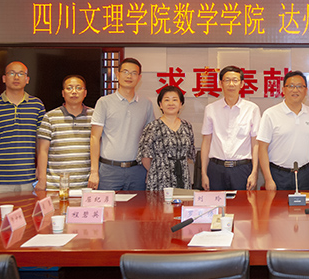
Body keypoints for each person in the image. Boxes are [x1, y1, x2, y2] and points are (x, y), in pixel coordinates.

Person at [0, 61, 45, 194]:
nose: (16, 77)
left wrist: (40, 171)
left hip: (28, 179)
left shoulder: (37, 105)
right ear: (4, 78)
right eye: (11, 73)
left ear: (27, 79)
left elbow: (41, 142)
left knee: (27, 209)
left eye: (21, 74)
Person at [89, 58, 155, 191]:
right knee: (108, 205)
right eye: (125, 72)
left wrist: (150, 169)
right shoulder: (104, 102)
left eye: (134, 73)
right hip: (109, 170)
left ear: (139, 77)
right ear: (117, 75)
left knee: (138, 204)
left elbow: (150, 139)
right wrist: (94, 171)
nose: (129, 76)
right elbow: (95, 137)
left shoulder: (146, 103)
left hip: (137, 170)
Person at [201, 66, 261, 190]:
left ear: (242, 84)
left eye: (235, 80)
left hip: (242, 168)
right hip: (216, 168)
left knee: (243, 203)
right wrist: (203, 173)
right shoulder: (211, 109)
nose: (231, 84)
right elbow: (206, 142)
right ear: (220, 83)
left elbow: (255, 143)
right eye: (227, 80)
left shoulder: (252, 109)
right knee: (216, 202)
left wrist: (254, 172)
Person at [257, 71, 309, 190]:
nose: (295, 90)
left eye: (300, 86)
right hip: (278, 174)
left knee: (305, 203)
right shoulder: (270, 114)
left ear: (306, 90)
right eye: (291, 86)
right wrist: (268, 179)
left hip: (305, 174)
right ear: (283, 90)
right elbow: (262, 148)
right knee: (277, 203)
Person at [36, 75, 93, 191]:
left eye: (78, 88)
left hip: (86, 185)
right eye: (69, 88)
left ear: (85, 93)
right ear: (63, 93)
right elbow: (42, 151)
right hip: (55, 185)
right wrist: (42, 179)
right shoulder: (50, 117)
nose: (74, 92)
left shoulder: (94, 116)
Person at [137, 86, 196, 190]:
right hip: (159, 178)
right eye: (167, 100)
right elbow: (145, 156)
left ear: (181, 104)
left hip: (182, 176)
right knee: (159, 201)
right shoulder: (152, 127)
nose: (171, 103)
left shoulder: (187, 126)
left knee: (182, 200)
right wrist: (156, 170)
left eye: (175, 100)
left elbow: (188, 154)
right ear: (160, 104)